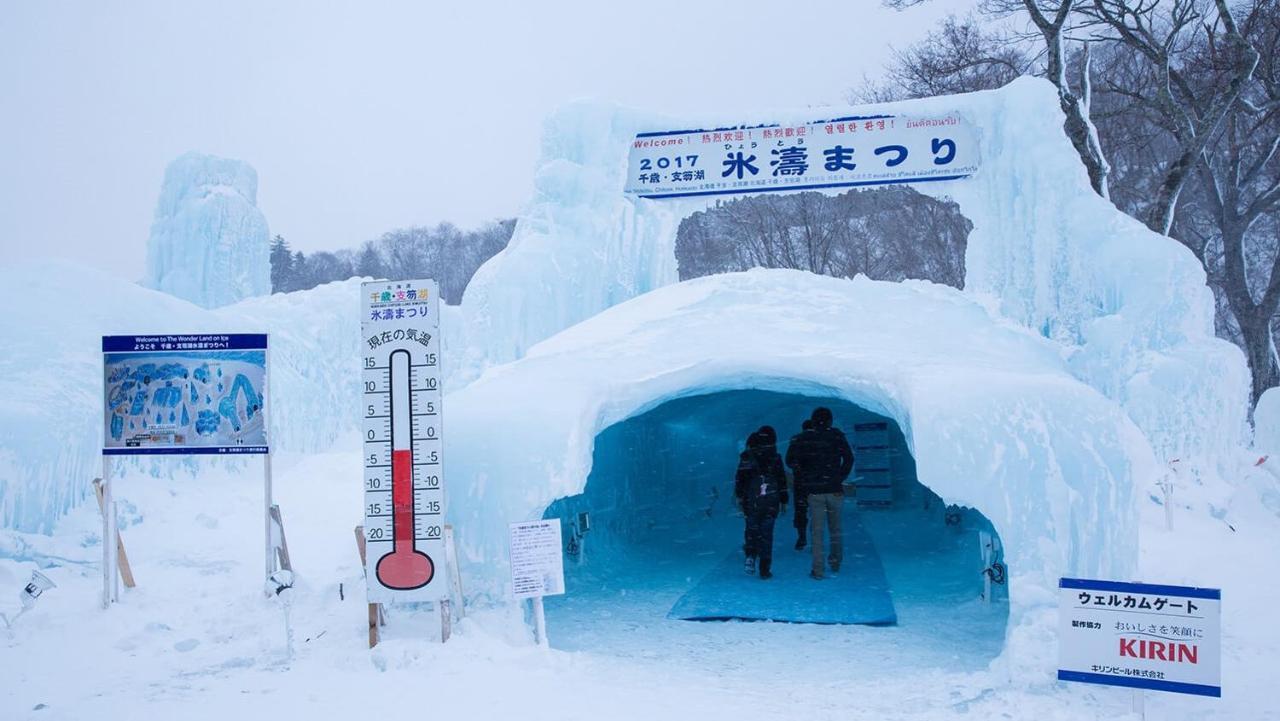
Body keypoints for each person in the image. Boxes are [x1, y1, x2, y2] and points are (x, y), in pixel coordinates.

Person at [787, 407, 853, 580]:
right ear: (830, 421)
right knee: (835, 529)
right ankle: (836, 561)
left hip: (815, 491)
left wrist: (806, 477)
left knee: (817, 532)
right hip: (834, 489)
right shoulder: (837, 436)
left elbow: (793, 461)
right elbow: (849, 458)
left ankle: (818, 570)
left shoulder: (804, 438)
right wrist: (840, 476)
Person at [734, 425, 788, 579]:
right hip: (771, 500)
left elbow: (740, 479)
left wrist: (740, 496)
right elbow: (781, 480)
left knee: (751, 529)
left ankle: (750, 555)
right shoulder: (775, 457)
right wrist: (784, 500)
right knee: (767, 533)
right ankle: (765, 568)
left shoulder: (747, 456)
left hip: (752, 501)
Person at [785, 419, 816, 550]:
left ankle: (802, 536)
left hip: (800, 482)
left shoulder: (796, 440)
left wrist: (797, 468)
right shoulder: (818, 440)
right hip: (816, 482)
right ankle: (816, 538)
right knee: (817, 511)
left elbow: (788, 460)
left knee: (800, 510)